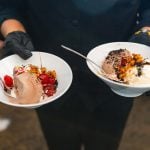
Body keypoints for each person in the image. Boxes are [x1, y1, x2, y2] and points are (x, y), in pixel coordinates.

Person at [0, 0, 150, 150]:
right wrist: (14, 31)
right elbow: (8, 5)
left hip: (115, 87)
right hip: (49, 84)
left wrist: (145, 34)